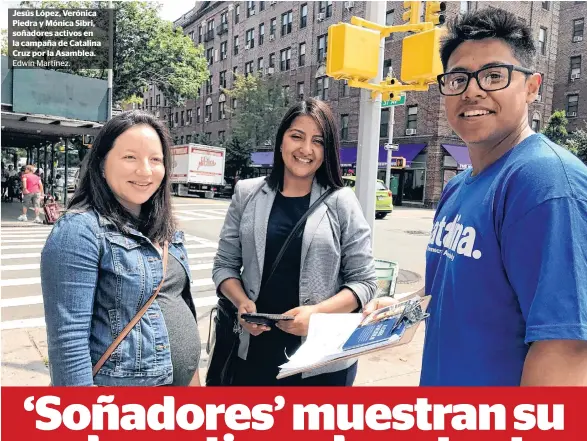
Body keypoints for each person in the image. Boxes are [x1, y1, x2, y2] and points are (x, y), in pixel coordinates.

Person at [365, 9, 587, 386]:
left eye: (494, 75)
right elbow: (455, 287)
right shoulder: (457, 187)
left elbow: (565, 349)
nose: (472, 90)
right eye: (457, 78)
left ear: (532, 87)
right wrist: (403, 308)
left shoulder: (545, 183)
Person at [211, 98, 377, 386]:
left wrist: (316, 314)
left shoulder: (342, 201)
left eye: (318, 141)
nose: (305, 149)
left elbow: (364, 282)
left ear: (328, 151)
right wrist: (241, 302)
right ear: (281, 141)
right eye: (296, 136)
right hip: (253, 354)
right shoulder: (247, 193)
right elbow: (224, 266)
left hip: (321, 360)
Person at [41, 111, 202, 386]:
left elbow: (177, 304)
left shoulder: (165, 228)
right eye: (130, 157)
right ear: (102, 163)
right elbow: (68, 346)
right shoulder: (79, 230)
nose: (145, 170)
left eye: (155, 159)